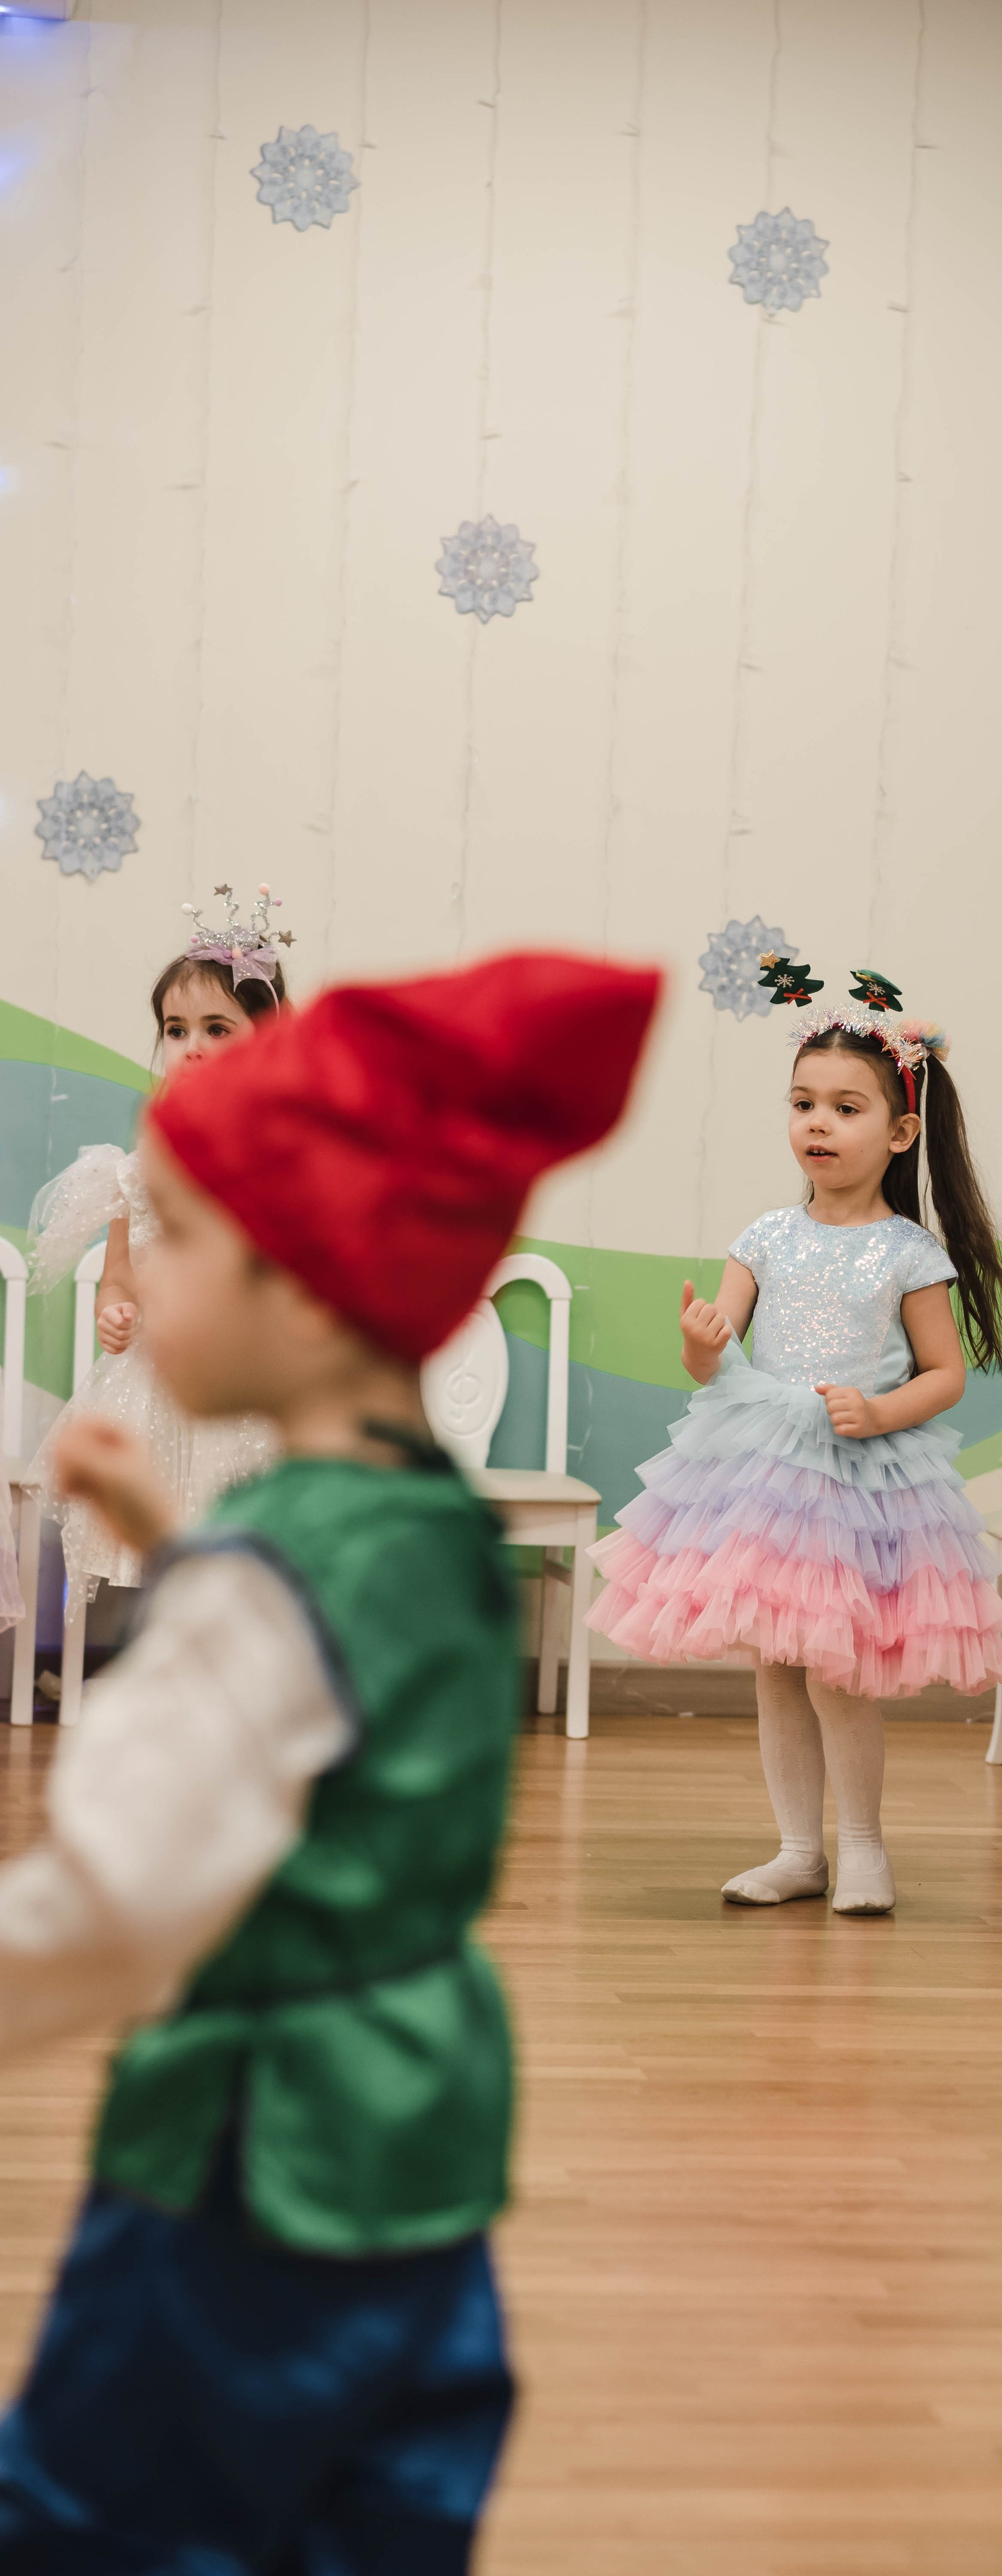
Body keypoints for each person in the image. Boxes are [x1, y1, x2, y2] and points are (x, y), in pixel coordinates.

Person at [0, 948, 660, 2572]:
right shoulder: (432, 1519)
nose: (139, 1271)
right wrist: (168, 1529)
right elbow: (314, 1667)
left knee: (119, 2510)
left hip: (253, 2149)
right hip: (419, 2124)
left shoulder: (261, 1582)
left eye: (174, 1233)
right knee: (372, 2502)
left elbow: (119, 1895)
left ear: (296, 1281)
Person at [587, 970, 1002, 1916]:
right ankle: (796, 1848)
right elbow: (718, 1361)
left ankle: (861, 1845)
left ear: (900, 1131)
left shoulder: (908, 1249)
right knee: (775, 1664)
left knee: (838, 1668)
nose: (818, 1123)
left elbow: (944, 1372)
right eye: (803, 1103)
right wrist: (702, 1344)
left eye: (846, 1107)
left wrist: (879, 1409)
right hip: (761, 1472)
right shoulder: (767, 1235)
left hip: (858, 1474)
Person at [26, 889, 292, 1607]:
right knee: (172, 1561)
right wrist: (115, 1311)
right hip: (156, 1392)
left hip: (244, 1395)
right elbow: (121, 1279)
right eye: (176, 1029)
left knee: (249, 1566)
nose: (193, 1045)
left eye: (218, 1027)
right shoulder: (139, 1167)